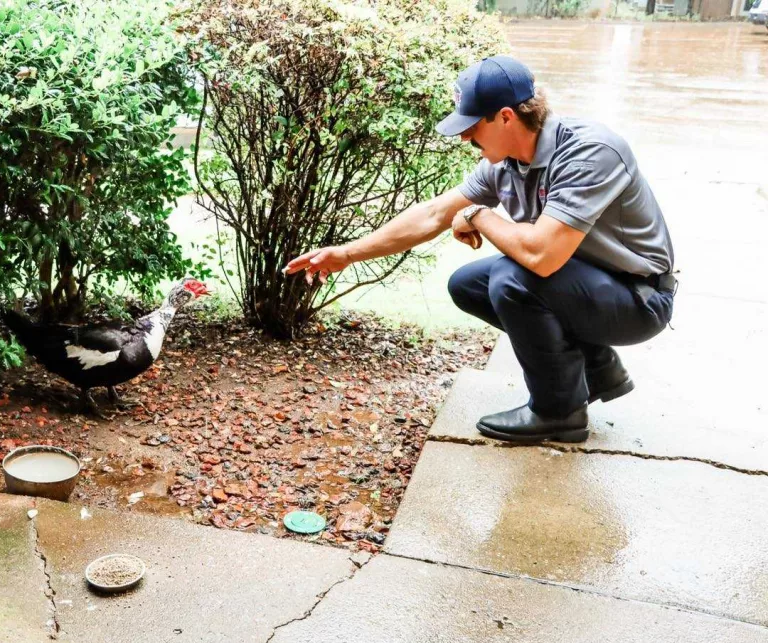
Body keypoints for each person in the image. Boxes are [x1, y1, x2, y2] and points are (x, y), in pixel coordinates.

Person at [283, 55, 675, 444]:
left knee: (512, 278)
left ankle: (559, 412)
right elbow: (434, 214)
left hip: (638, 299)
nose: (463, 138)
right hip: (587, 289)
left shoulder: (590, 152)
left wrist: (478, 215)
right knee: (469, 284)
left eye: (471, 127)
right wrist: (347, 254)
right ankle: (597, 364)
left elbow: (541, 255)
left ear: (506, 117)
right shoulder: (504, 162)